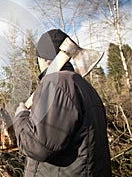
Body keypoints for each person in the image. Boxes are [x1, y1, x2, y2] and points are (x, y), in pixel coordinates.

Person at [13, 29, 112, 176]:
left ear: (43, 59)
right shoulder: (83, 86)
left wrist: (20, 117)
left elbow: (38, 147)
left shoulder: (56, 83)